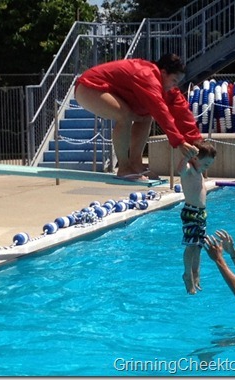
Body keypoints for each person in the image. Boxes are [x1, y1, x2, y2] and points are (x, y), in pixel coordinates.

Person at [75, 53, 202, 181]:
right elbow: (161, 112)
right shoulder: (147, 76)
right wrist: (179, 142)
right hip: (88, 87)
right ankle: (124, 168)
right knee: (124, 115)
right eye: (174, 80)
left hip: (106, 90)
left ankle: (136, 164)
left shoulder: (168, 89)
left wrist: (198, 143)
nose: (174, 86)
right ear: (163, 73)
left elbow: (183, 113)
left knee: (145, 116)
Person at [178, 139, 216, 294]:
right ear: (194, 159)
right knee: (191, 244)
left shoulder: (199, 172)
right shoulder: (189, 169)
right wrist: (186, 157)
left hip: (201, 214)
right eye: (205, 164)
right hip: (191, 212)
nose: (207, 168)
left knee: (199, 245)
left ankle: (195, 272)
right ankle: (187, 274)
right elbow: (180, 169)